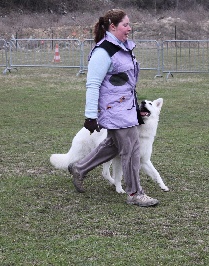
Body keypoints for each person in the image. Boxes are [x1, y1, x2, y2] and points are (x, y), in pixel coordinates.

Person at [68, 9, 159, 207]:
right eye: (125, 25)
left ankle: (79, 168)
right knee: (132, 149)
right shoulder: (103, 52)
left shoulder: (121, 47)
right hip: (114, 109)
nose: (129, 28)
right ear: (112, 26)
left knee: (113, 146)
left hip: (125, 107)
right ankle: (135, 193)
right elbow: (92, 85)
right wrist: (90, 116)